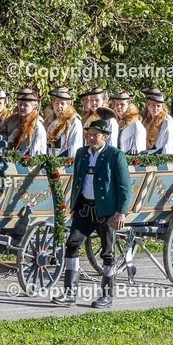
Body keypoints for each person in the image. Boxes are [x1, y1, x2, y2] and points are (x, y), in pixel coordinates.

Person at [52, 119, 131, 309]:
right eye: (89, 134)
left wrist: (121, 213)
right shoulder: (81, 153)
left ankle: (107, 295)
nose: (91, 137)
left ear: (104, 137)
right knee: (72, 244)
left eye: (96, 134)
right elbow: (77, 181)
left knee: (108, 253)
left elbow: (124, 187)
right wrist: (73, 205)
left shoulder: (115, 155)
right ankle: (70, 293)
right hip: (84, 209)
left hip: (106, 212)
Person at [1, 89, 48, 156]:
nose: (21, 107)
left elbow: (37, 152)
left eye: (26, 105)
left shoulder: (37, 126)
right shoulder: (14, 122)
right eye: (20, 104)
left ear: (33, 107)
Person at [46, 86, 83, 157]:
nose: (59, 106)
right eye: (57, 103)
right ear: (53, 104)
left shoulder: (74, 121)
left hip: (66, 163)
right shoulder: (50, 121)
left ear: (68, 105)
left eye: (62, 103)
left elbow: (75, 147)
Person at [109, 90, 146, 154]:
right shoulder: (116, 122)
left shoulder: (135, 125)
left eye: (122, 104)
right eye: (117, 104)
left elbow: (137, 151)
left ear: (128, 105)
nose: (119, 107)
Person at [143, 89, 173, 154]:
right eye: (153, 105)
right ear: (148, 106)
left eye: (158, 106)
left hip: (163, 155)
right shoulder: (146, 120)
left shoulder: (166, 120)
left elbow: (165, 144)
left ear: (162, 107)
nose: (155, 108)